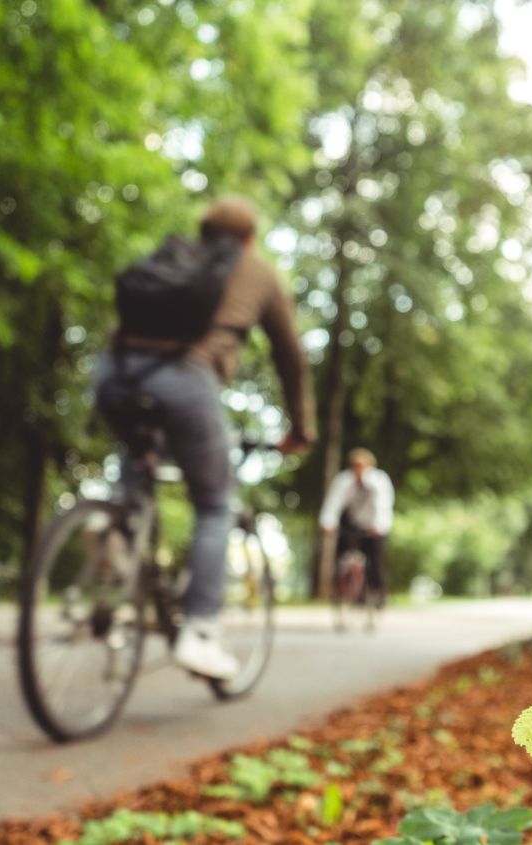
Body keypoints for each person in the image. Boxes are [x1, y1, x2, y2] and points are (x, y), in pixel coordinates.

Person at [94, 196, 314, 679]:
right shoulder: (257, 271)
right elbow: (290, 356)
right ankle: (200, 632)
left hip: (115, 372)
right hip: (185, 379)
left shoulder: (174, 255)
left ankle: (115, 528)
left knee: (140, 457)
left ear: (204, 231)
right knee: (215, 504)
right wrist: (300, 427)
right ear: (249, 239)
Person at [319, 449, 395, 607]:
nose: (359, 470)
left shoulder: (379, 480)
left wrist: (379, 526)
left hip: (374, 525)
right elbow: (333, 503)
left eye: (362, 466)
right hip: (353, 523)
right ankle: (341, 586)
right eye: (355, 466)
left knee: (375, 559)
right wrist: (328, 523)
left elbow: (383, 505)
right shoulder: (344, 480)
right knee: (342, 551)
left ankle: (378, 591)